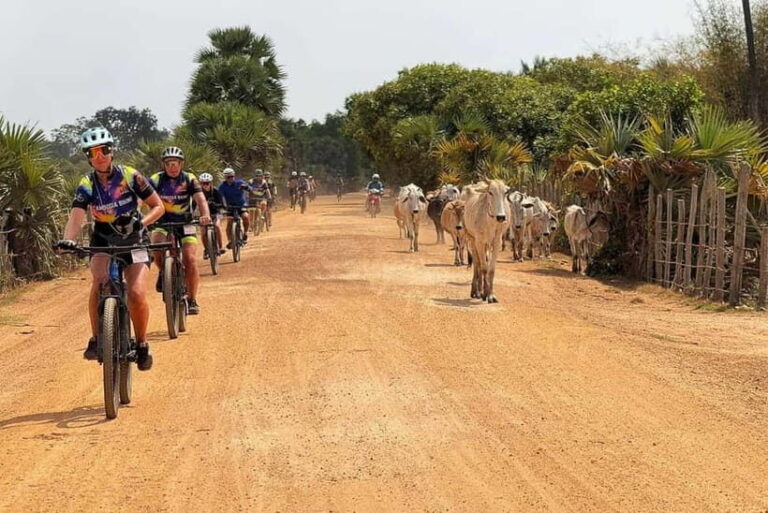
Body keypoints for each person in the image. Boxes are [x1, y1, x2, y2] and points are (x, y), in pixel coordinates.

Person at [57, 127, 164, 371]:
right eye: (93, 152)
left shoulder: (130, 175)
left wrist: (141, 223)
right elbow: (76, 215)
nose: (100, 156)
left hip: (135, 238)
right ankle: (96, 339)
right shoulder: (86, 184)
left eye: (103, 150)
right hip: (104, 239)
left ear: (111, 150)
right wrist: (68, 239)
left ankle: (143, 344)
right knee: (99, 280)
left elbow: (157, 206)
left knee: (136, 294)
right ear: (88, 157)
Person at [149, 147, 210, 315]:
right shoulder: (156, 179)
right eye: (168, 164)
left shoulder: (190, 179)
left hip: (186, 223)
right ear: (164, 165)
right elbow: (143, 197)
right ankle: (164, 272)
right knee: (156, 248)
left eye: (175, 163)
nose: (172, 167)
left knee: (190, 259)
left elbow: (201, 199)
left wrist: (205, 215)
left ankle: (192, 299)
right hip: (162, 222)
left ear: (181, 164)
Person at [218, 167, 251, 246]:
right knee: (229, 222)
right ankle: (230, 240)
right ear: (225, 178)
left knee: (245, 217)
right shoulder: (222, 187)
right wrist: (222, 206)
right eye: (228, 177)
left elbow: (250, 188)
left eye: (232, 176)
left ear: (234, 176)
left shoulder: (239, 182)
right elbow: (220, 197)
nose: (230, 178)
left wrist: (246, 187)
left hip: (241, 205)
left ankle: (245, 233)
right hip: (230, 207)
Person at [198, 173, 225, 259]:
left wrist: (217, 205)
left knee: (217, 226)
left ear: (211, 183)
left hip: (217, 213)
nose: (205, 185)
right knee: (203, 232)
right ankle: (206, 249)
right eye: (203, 183)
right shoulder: (198, 193)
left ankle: (220, 247)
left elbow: (223, 203)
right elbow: (194, 205)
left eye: (207, 183)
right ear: (200, 184)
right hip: (203, 215)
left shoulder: (216, 191)